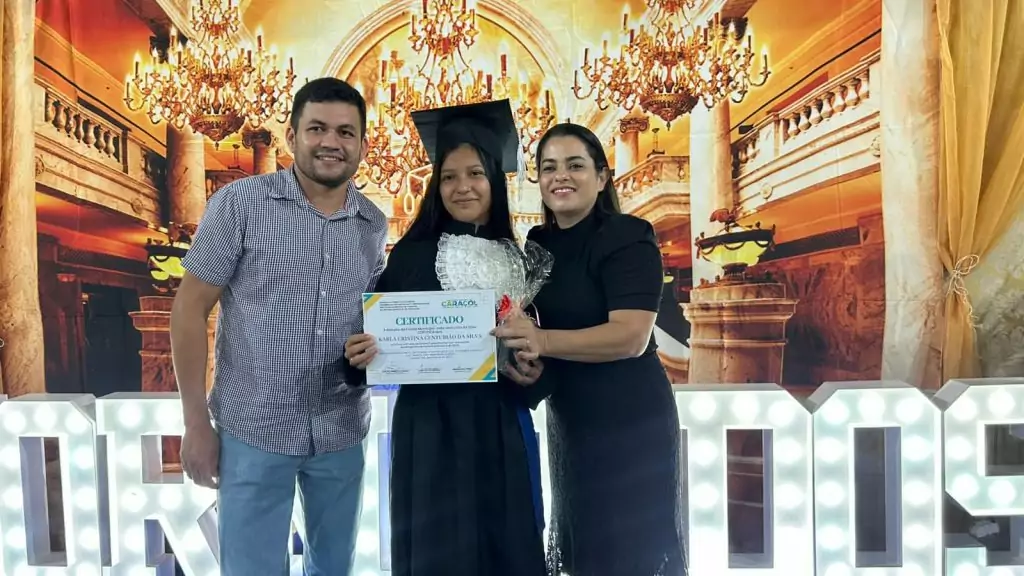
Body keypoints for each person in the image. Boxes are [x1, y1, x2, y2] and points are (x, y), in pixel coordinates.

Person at [170, 77, 387, 576]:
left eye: (345, 132)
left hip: (341, 428)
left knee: (334, 568)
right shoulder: (240, 204)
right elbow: (189, 310)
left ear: (362, 144)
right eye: (317, 128)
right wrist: (196, 423)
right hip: (254, 429)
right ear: (292, 136)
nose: (331, 142)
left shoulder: (372, 224)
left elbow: (370, 318)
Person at [343, 99, 548, 576]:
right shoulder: (413, 255)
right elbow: (378, 342)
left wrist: (533, 370)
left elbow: (529, 355)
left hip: (500, 425)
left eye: (475, 174)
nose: (462, 187)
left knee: (507, 546)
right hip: (433, 431)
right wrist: (359, 355)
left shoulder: (516, 257)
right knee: (442, 553)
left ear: (494, 180)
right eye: (449, 176)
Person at [494, 122, 687, 576]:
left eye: (575, 165)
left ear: (601, 177)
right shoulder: (540, 244)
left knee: (631, 548)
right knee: (583, 545)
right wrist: (532, 368)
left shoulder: (629, 235)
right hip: (572, 420)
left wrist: (542, 341)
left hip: (630, 421)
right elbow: (546, 332)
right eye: (549, 167)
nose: (560, 176)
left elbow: (630, 336)